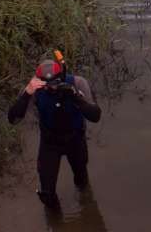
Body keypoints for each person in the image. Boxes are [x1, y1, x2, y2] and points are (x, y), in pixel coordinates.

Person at [8, 57, 101, 210]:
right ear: (40, 81)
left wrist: (76, 97)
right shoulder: (35, 89)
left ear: (62, 77)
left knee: (81, 179)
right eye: (47, 85)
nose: (52, 88)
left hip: (75, 140)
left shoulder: (77, 83)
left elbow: (95, 116)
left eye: (56, 83)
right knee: (47, 193)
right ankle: (56, 222)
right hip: (50, 143)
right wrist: (26, 93)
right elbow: (14, 119)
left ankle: (87, 209)